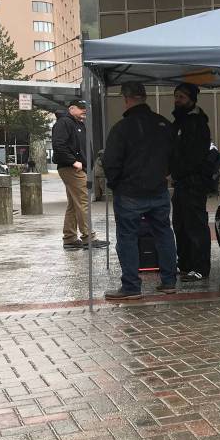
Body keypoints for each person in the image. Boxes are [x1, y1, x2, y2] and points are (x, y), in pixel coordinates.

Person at [101, 82, 178, 301]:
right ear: (144, 97)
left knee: (127, 237)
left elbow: (110, 161)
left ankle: (132, 287)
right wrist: (165, 173)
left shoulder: (121, 128)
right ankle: (169, 282)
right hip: (158, 189)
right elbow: (175, 155)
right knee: (164, 233)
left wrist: (115, 184)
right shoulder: (163, 124)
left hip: (129, 192)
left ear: (126, 99)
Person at [51, 98, 108, 251]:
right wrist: (73, 161)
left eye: (86, 108)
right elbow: (58, 145)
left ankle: (69, 238)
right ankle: (88, 237)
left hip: (77, 168)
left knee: (73, 203)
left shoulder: (77, 123)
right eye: (82, 108)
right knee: (83, 201)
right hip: (72, 168)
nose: (85, 111)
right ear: (72, 108)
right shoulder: (64, 123)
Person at [171, 82, 212, 282]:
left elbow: (194, 156)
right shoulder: (180, 121)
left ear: (191, 100)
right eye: (176, 96)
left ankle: (200, 267)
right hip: (181, 183)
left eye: (182, 97)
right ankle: (185, 263)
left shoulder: (196, 123)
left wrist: (177, 171)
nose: (177, 100)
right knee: (180, 224)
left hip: (193, 183)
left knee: (196, 226)